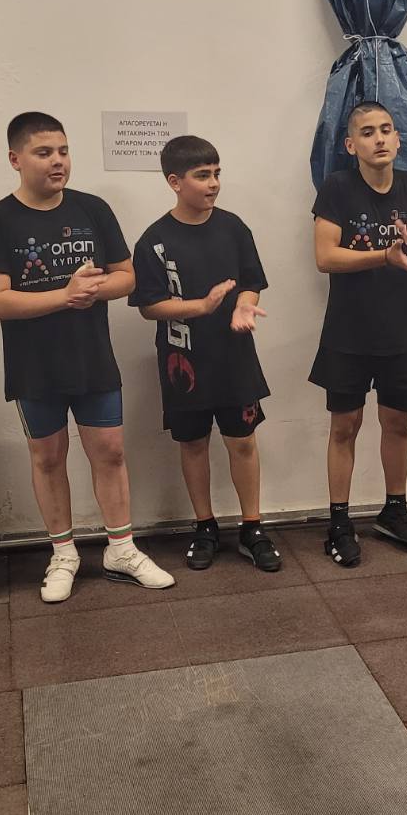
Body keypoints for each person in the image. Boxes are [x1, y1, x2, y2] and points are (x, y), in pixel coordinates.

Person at [0, 111, 175, 603]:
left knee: (110, 452)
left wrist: (92, 290)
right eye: (44, 153)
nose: (57, 161)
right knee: (48, 458)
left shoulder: (92, 209)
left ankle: (121, 549)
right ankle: (63, 554)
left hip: (91, 358)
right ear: (15, 159)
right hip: (34, 365)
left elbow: (126, 277)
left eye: (63, 151)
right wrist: (65, 295)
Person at [130, 135, 280, 573]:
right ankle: (205, 526)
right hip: (184, 362)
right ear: (174, 182)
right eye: (202, 175)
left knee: (243, 441)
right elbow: (148, 306)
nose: (213, 183)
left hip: (235, 356)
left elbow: (251, 282)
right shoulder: (154, 240)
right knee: (193, 443)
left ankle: (252, 527)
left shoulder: (234, 228)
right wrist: (200, 307)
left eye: (216, 173)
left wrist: (243, 305)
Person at [310, 102, 407, 567]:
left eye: (387, 129)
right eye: (368, 132)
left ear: (398, 138)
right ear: (352, 145)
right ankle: (339, 521)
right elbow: (325, 257)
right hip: (348, 331)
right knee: (345, 426)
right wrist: (384, 256)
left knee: (398, 422)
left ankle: (395, 510)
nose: (380, 138)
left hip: (403, 329)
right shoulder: (337, 187)